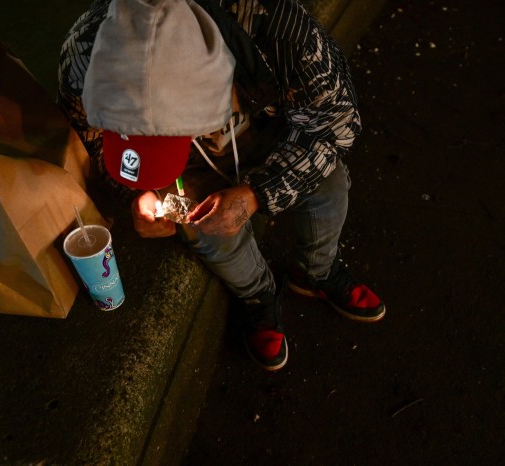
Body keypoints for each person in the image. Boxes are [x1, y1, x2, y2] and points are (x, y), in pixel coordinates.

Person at [57, 0, 385, 371]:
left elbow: (336, 124)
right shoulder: (81, 58)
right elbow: (95, 149)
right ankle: (258, 296)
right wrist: (139, 191)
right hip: (198, 167)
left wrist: (257, 194)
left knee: (329, 183)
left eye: (166, 138)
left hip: (269, 132)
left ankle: (317, 271)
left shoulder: (276, 29)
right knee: (204, 228)